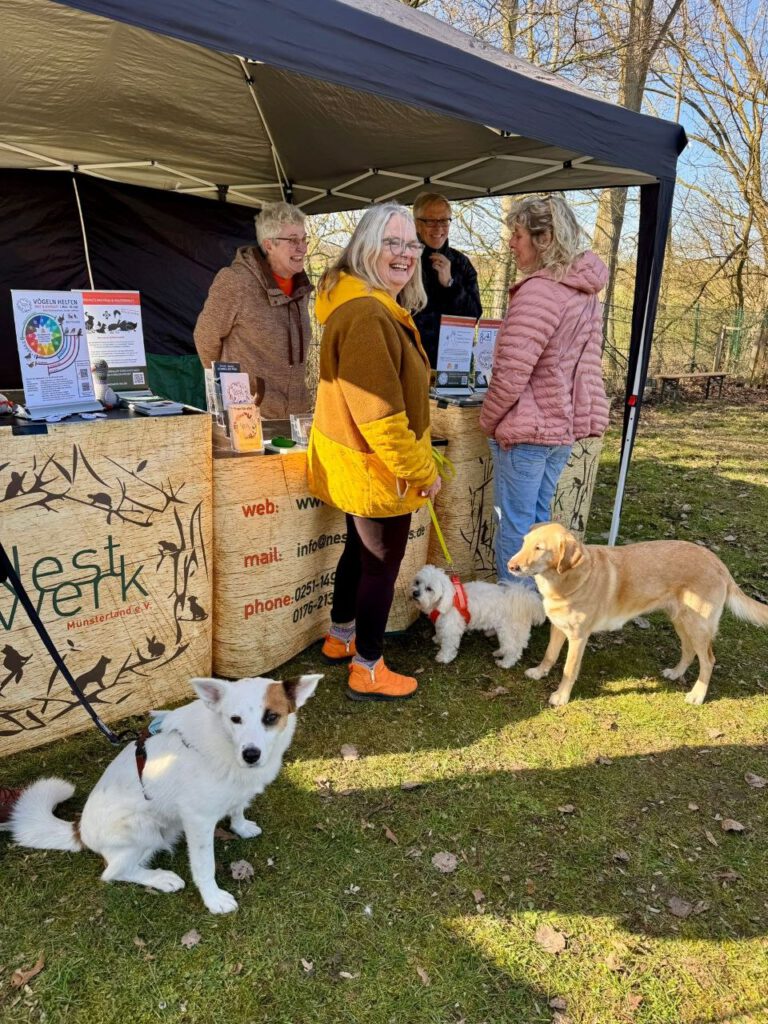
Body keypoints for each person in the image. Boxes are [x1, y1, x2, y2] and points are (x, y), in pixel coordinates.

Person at [307, 202, 441, 702]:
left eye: (411, 244)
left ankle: (341, 637)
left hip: (360, 464)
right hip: (378, 467)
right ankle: (367, 666)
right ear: (366, 247)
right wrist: (422, 471)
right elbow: (381, 419)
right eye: (392, 243)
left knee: (360, 555)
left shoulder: (367, 303)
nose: (405, 253)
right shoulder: (367, 313)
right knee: (380, 566)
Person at [478, 194, 610, 586]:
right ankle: (537, 605)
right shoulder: (585, 293)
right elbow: (588, 370)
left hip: (527, 433)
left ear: (544, 238)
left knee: (517, 530)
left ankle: (514, 612)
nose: (511, 243)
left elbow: (510, 374)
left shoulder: (539, 291)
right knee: (538, 529)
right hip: (559, 433)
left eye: (517, 235)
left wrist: (489, 421)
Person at [194, 200, 312, 418]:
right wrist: (229, 387)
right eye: (293, 240)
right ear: (269, 245)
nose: (302, 248)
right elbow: (205, 337)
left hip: (297, 416)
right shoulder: (236, 281)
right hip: (249, 416)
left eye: (304, 239)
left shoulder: (301, 289)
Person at [412, 192, 483, 367]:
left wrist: (451, 285)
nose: (438, 228)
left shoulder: (461, 263)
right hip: (412, 361)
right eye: (430, 221)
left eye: (444, 221)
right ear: (416, 224)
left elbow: (474, 316)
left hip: (452, 364)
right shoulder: (405, 261)